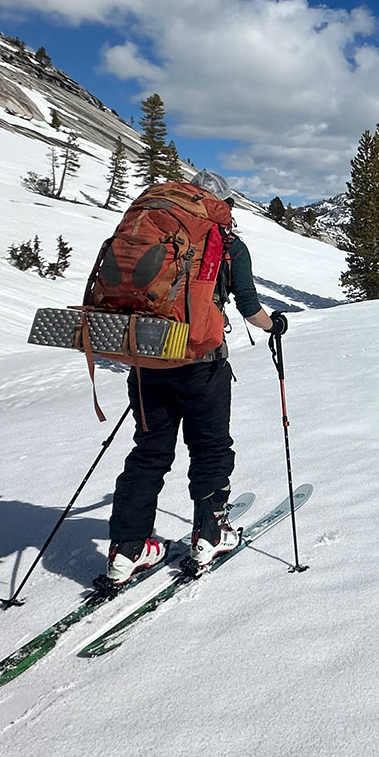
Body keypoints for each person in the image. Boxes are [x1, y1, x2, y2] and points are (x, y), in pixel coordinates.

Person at [104, 169, 290, 584]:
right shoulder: (228, 243)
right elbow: (248, 305)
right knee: (209, 448)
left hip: (146, 357)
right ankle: (209, 535)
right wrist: (273, 326)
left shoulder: (148, 226)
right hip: (200, 362)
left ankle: (126, 549)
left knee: (149, 452)